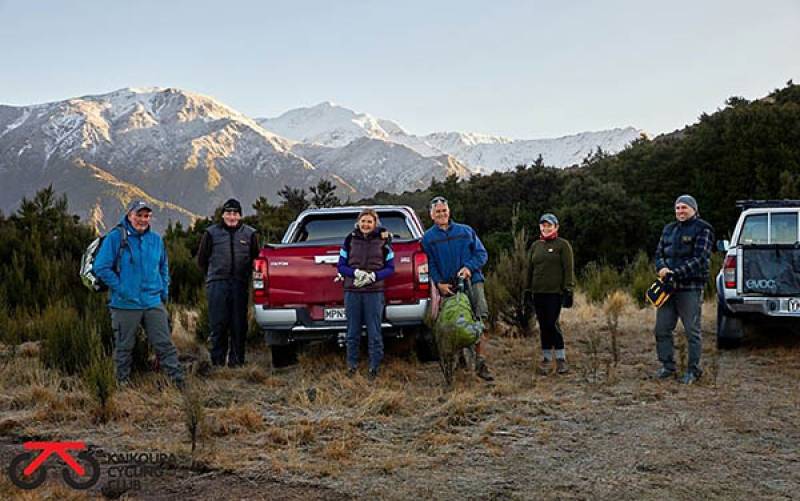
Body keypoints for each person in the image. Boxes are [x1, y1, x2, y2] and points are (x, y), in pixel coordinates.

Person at [94, 200, 185, 388]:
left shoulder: (156, 240)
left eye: (146, 216)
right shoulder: (115, 237)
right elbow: (101, 267)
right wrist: (122, 288)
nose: (143, 220)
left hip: (152, 301)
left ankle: (178, 383)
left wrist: (163, 291)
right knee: (124, 347)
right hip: (125, 304)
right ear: (129, 215)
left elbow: (163, 266)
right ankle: (122, 384)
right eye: (139, 215)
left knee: (164, 344)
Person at [422, 196, 494, 382]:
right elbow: (429, 264)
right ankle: (459, 361)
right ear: (431, 215)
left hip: (473, 282)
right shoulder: (428, 238)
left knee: (478, 319)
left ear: (449, 211)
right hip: (448, 287)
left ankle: (481, 363)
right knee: (452, 322)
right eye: (438, 211)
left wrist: (469, 267)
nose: (442, 214)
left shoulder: (465, 231)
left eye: (444, 210)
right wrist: (439, 283)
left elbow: (481, 254)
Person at [654, 194, 714, 384]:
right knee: (661, 329)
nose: (680, 211)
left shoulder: (703, 229)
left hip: (690, 288)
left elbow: (700, 258)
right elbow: (659, 253)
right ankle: (667, 366)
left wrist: (676, 273)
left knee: (691, 331)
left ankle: (693, 370)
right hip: (667, 289)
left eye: (684, 208)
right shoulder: (668, 229)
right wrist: (662, 268)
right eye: (678, 208)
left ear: (694, 209)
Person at [197, 198, 259, 368]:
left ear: (240, 216)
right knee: (218, 324)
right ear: (223, 215)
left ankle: (237, 362)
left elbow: (256, 259)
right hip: (217, 284)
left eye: (235, 213)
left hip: (240, 284)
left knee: (239, 325)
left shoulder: (250, 234)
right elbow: (202, 260)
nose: (232, 216)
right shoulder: (211, 233)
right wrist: (212, 277)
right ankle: (217, 362)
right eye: (228, 213)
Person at [337, 208, 395, 381]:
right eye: (363, 221)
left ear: (375, 223)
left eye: (369, 221)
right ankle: (352, 366)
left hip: (374, 292)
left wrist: (374, 276)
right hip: (352, 290)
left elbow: (391, 268)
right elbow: (341, 266)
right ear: (358, 222)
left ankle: (374, 368)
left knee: (374, 331)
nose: (366, 224)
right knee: (352, 331)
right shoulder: (349, 240)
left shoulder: (384, 241)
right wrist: (355, 273)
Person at [530, 213, 575, 375]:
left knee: (552, 323)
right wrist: (528, 290)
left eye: (549, 225)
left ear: (556, 227)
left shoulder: (562, 245)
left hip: (555, 292)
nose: (546, 228)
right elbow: (530, 269)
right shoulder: (536, 245)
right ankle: (547, 358)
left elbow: (568, 269)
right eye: (543, 225)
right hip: (538, 291)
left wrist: (568, 289)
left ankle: (561, 359)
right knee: (543, 325)